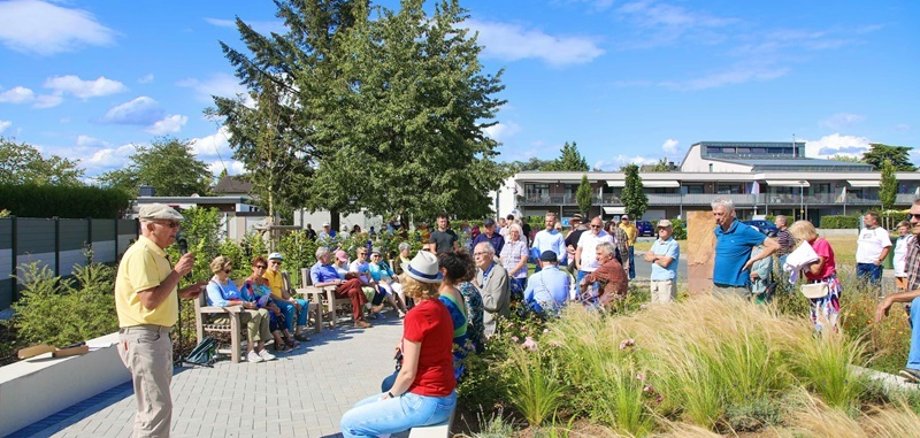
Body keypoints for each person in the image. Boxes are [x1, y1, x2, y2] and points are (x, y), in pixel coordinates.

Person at [339, 251, 457, 437]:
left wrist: (391, 395)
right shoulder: (440, 307)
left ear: (413, 282)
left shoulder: (417, 315)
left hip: (426, 399)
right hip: (444, 394)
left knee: (350, 423)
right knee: (358, 409)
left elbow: (408, 373)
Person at [114, 204, 205, 437]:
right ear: (149, 225)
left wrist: (182, 292)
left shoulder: (155, 253)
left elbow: (155, 294)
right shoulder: (142, 254)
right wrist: (177, 273)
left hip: (155, 336)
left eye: (177, 225)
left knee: (158, 407)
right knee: (155, 409)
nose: (176, 230)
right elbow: (149, 300)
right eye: (170, 224)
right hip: (144, 337)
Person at [876, 200, 920, 382]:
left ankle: (917, 366)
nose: (913, 220)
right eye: (911, 215)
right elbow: (911, 279)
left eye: (918, 216)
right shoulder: (913, 244)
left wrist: (893, 297)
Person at [205, 256, 276, 363]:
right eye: (227, 271)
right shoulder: (212, 285)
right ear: (218, 269)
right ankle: (250, 351)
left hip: (238, 312)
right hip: (223, 315)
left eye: (230, 270)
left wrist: (248, 304)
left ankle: (261, 349)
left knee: (264, 312)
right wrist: (241, 303)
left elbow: (239, 296)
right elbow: (220, 303)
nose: (229, 273)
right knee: (255, 315)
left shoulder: (229, 282)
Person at [711, 198, 779, 298]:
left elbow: (774, 246)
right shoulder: (718, 231)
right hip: (717, 284)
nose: (717, 217)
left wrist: (752, 260)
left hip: (737, 286)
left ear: (731, 213)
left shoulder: (744, 230)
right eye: (715, 214)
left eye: (720, 214)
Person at [788, 220, 840, 332]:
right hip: (813, 284)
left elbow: (816, 269)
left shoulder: (821, 244)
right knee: (815, 315)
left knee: (828, 315)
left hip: (825, 284)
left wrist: (804, 257)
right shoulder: (809, 246)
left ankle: (831, 341)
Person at [310, 246, 372, 329]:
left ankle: (358, 321)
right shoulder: (315, 268)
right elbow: (316, 284)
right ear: (322, 257)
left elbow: (339, 278)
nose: (330, 257)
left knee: (353, 291)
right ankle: (369, 306)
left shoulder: (330, 267)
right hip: (331, 291)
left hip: (340, 288)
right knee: (355, 281)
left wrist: (344, 278)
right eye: (328, 255)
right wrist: (333, 282)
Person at [438, 251, 476, 380]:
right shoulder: (456, 292)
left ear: (443, 271)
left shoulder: (443, 300)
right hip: (465, 348)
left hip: (455, 357)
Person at [241, 256, 291, 351]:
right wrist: (271, 308)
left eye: (263, 267)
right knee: (270, 313)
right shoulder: (248, 283)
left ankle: (286, 338)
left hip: (263, 307)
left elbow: (267, 298)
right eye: (258, 266)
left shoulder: (264, 282)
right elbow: (254, 302)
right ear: (253, 267)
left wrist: (273, 305)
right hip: (251, 309)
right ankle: (279, 341)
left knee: (278, 311)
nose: (261, 269)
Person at [263, 252, 311, 343]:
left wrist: (292, 299)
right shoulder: (264, 274)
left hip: (281, 299)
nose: (276, 264)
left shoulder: (278, 274)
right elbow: (269, 294)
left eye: (279, 263)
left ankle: (298, 333)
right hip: (272, 301)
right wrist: (289, 302)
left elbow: (283, 291)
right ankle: (287, 335)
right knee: (289, 307)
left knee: (303, 303)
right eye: (273, 262)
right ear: (268, 262)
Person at [473, 242, 510, 338]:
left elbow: (494, 304)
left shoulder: (499, 273)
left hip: (493, 327)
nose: (477, 257)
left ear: (490, 255)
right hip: (480, 323)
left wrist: (476, 287)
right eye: (475, 254)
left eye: (480, 253)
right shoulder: (479, 272)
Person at [523, 251, 571, 316]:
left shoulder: (535, 277)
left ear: (541, 262)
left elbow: (526, 298)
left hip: (542, 311)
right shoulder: (565, 275)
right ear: (556, 262)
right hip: (561, 310)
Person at [580, 242, 628, 306]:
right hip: (620, 301)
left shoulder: (608, 266)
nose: (596, 258)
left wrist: (584, 295)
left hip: (608, 304)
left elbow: (586, 280)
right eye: (597, 254)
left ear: (610, 255)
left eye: (599, 254)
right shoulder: (616, 263)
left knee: (585, 305)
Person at [644, 219, 679, 304]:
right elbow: (646, 257)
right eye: (660, 228)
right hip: (654, 278)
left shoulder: (673, 244)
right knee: (655, 307)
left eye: (664, 228)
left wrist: (653, 257)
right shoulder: (657, 242)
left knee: (666, 308)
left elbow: (665, 263)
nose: (661, 230)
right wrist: (659, 257)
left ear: (671, 230)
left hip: (666, 280)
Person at [856, 211, 892, 290]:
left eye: (866, 218)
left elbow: (887, 247)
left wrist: (879, 260)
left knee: (875, 286)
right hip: (861, 263)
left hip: (873, 264)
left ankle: (875, 300)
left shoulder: (882, 232)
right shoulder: (863, 231)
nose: (864, 220)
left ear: (874, 220)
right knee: (860, 286)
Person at [575, 216, 615, 285]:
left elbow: (611, 255)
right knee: (579, 292)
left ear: (602, 226)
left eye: (598, 226)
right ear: (590, 225)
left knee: (595, 294)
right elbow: (579, 249)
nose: (595, 228)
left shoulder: (607, 237)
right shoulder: (584, 235)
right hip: (583, 269)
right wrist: (577, 264)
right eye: (593, 226)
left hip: (598, 270)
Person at [369, 250, 408, 317]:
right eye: (375, 256)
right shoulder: (369, 266)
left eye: (379, 256)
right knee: (388, 290)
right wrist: (378, 281)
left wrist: (394, 276)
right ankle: (398, 310)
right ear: (371, 257)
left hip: (390, 281)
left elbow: (391, 273)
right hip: (380, 283)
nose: (377, 257)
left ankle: (404, 308)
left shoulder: (383, 264)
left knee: (400, 287)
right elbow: (370, 278)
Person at [499, 223, 529, 301]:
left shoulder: (522, 244)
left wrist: (512, 272)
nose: (513, 234)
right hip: (507, 274)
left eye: (516, 232)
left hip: (518, 276)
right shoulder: (506, 244)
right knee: (507, 296)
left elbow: (523, 261)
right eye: (512, 232)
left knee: (517, 297)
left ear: (519, 233)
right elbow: (501, 257)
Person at [618, 214, 639, 280]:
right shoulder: (620, 225)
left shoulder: (632, 226)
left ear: (628, 220)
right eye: (623, 219)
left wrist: (635, 238)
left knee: (631, 260)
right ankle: (623, 276)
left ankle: (632, 276)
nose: (624, 220)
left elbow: (637, 231)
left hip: (630, 245)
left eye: (625, 219)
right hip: (622, 245)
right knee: (622, 261)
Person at [894, 220, 911, 291]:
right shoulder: (899, 239)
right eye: (899, 229)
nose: (900, 231)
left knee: (906, 287)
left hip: (904, 267)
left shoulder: (910, 238)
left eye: (903, 229)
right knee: (899, 287)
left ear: (908, 229)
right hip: (897, 266)